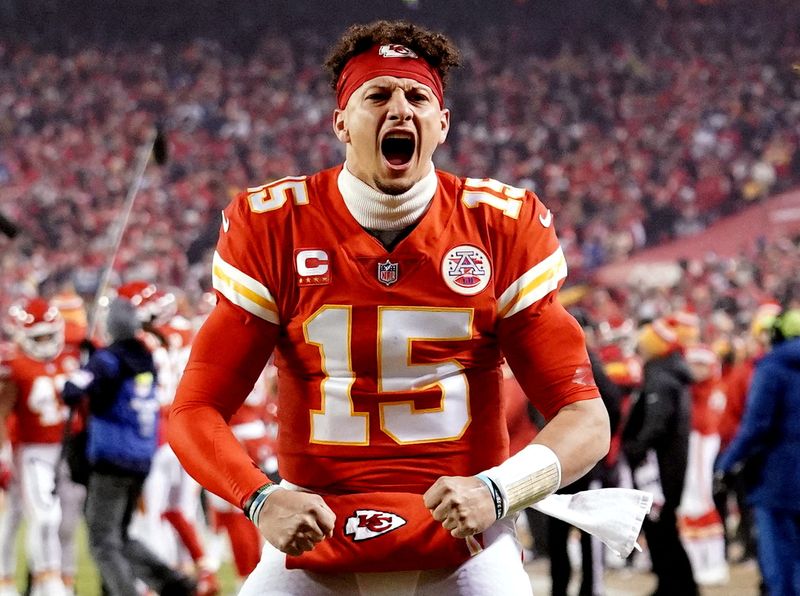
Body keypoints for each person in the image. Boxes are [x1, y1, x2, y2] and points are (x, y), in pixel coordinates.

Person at [169, 20, 610, 595]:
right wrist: (261, 498)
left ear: (442, 125)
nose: (400, 109)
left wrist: (499, 490)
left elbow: (585, 417)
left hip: (464, 536)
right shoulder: (275, 224)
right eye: (377, 95)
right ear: (342, 123)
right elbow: (195, 409)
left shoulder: (500, 225)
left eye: (418, 96)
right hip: (315, 529)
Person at [61, 298, 196, 596]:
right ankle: (171, 583)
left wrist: (87, 361)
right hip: (142, 456)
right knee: (120, 534)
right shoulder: (145, 357)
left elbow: (72, 391)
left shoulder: (107, 360)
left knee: (101, 540)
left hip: (111, 457)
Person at [715, 308, 800, 596]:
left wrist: (726, 463)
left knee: (780, 563)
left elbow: (756, 426)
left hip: (779, 478)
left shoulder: (772, 368)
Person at [0, 298, 80, 596]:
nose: (46, 342)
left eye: (49, 335)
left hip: (68, 449)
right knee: (38, 516)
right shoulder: (14, 365)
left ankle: (58, 582)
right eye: (38, 338)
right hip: (30, 450)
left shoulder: (71, 352)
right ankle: (36, 581)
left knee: (67, 521)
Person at [622, 317, 698, 596]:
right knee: (663, 528)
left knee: (661, 528)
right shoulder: (670, 374)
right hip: (668, 465)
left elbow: (657, 422)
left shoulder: (660, 377)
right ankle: (674, 583)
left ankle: (677, 585)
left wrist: (636, 447)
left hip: (659, 467)